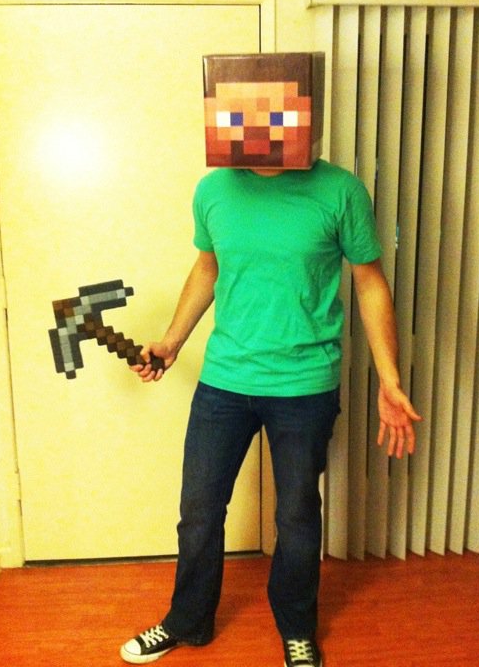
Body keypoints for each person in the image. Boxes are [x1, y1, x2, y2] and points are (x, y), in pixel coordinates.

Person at [120, 53, 420, 667]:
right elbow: (209, 266)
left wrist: (389, 379)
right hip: (225, 381)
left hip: (304, 385)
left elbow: (370, 282)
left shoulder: (340, 190)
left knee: (297, 516)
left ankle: (297, 628)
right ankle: (187, 620)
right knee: (199, 510)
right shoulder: (213, 190)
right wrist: (172, 342)